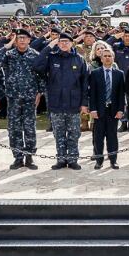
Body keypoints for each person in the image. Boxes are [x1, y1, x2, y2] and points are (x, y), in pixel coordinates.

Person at [38, 32, 89, 170]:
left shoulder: (79, 59)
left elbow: (85, 83)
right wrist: (49, 47)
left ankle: (72, 159)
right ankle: (61, 159)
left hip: (74, 104)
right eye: (61, 42)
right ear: (58, 43)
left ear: (72, 43)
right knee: (59, 134)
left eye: (67, 41)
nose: (64, 44)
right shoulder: (52, 58)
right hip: (56, 103)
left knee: (74, 133)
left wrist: (84, 103)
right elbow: (37, 65)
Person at [0, 28, 45, 169]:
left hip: (30, 98)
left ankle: (29, 157)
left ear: (29, 40)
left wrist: (39, 93)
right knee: (14, 129)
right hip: (13, 99)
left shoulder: (35, 55)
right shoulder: (8, 55)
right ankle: (18, 157)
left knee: (29, 128)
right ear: (15, 40)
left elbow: (41, 76)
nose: (22, 40)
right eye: (19, 38)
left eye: (25, 38)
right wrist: (8, 44)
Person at [86, 41, 126, 169]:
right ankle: (99, 160)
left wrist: (121, 109)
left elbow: (121, 94)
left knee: (112, 136)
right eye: (105, 56)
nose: (107, 58)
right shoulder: (95, 73)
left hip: (113, 110)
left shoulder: (119, 74)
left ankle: (113, 160)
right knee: (98, 136)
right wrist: (92, 109)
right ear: (101, 58)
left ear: (113, 58)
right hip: (99, 110)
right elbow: (92, 93)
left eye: (110, 56)